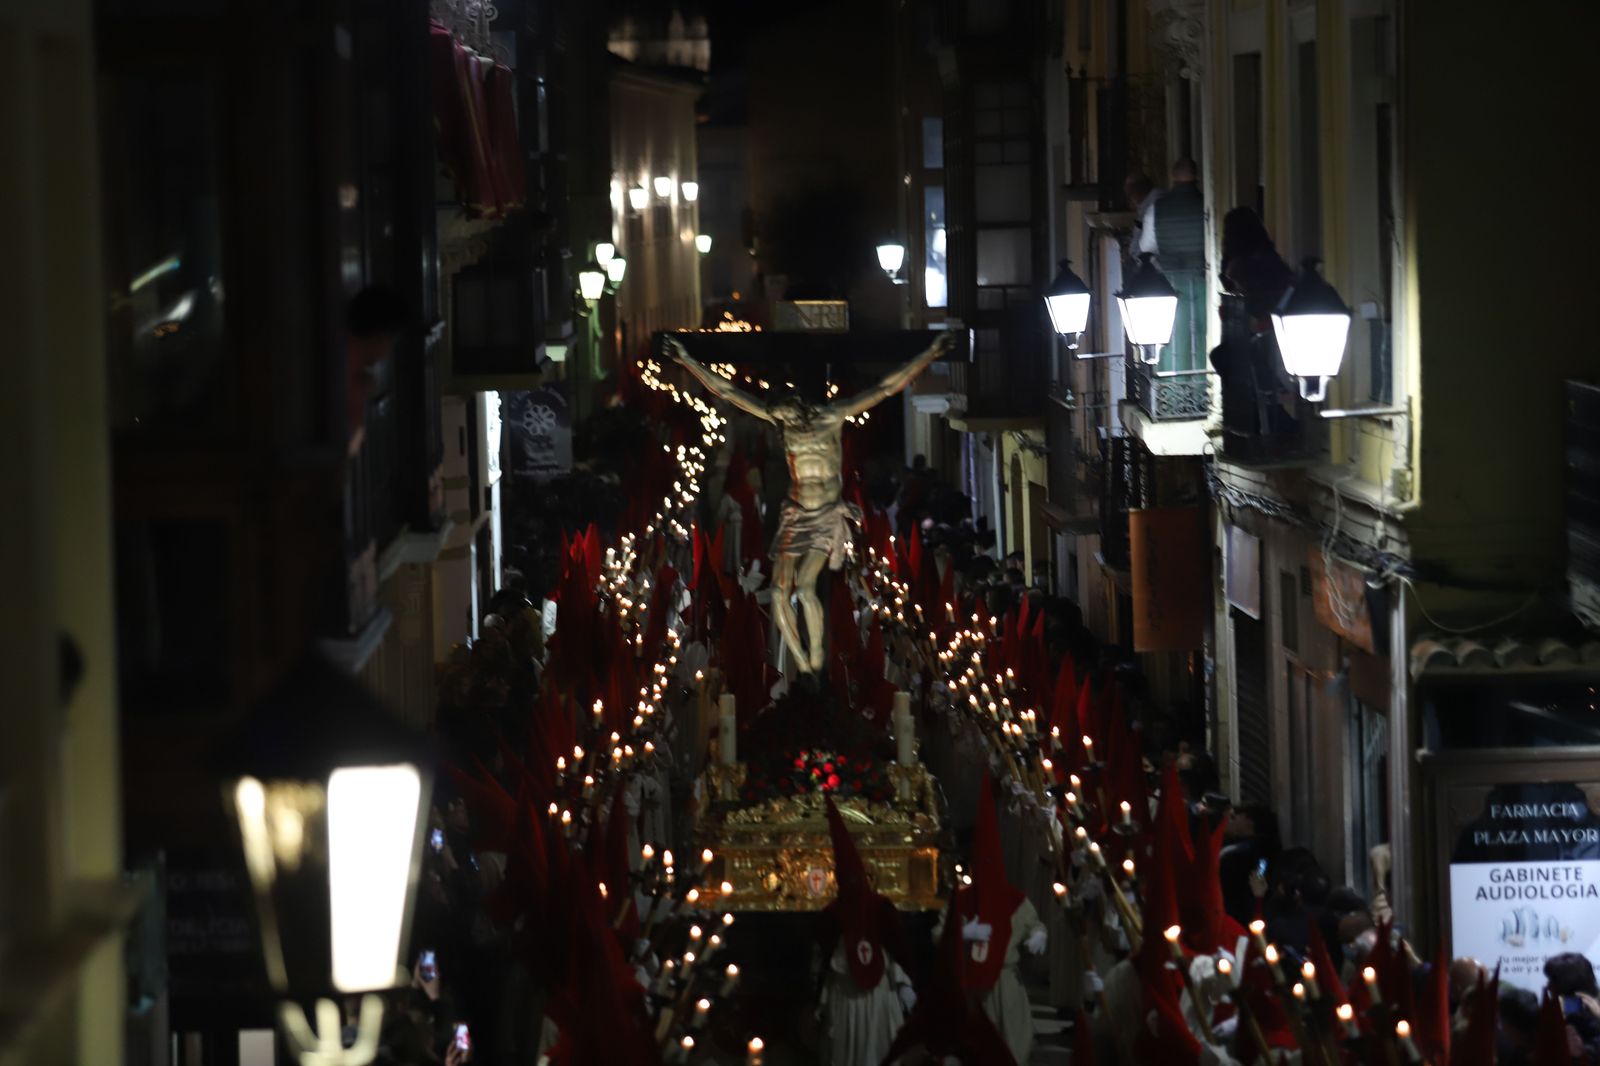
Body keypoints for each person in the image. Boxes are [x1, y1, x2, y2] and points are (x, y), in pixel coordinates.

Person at [670, 331, 957, 673]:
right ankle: (801, 661)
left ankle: (817, 658)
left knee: (806, 589)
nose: (783, 423)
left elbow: (884, 389)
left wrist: (929, 354)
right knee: (778, 594)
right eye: (779, 419)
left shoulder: (832, 416)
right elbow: (730, 392)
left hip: (824, 515)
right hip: (795, 512)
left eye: (788, 416)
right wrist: (686, 360)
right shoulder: (781, 421)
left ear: (798, 408)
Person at [944, 780, 1047, 1065]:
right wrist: (963, 931)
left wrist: (1039, 935)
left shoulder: (1013, 900)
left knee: (1011, 1047)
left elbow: (1034, 923)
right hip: (972, 986)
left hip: (1005, 984)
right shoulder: (962, 900)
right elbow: (939, 934)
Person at [816, 798, 916, 1065]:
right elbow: (826, 958)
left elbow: (895, 950)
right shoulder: (835, 914)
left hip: (877, 996)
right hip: (847, 995)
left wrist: (904, 984)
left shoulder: (878, 908)